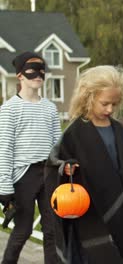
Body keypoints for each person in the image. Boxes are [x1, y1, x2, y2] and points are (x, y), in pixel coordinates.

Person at [45, 65, 123, 264]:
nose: (110, 109)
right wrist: (65, 168)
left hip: (121, 209)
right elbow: (54, 163)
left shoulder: (119, 130)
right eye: (105, 103)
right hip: (91, 213)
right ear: (88, 97)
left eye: (114, 104)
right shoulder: (75, 132)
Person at [0, 51, 60, 264]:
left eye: (42, 69)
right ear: (20, 75)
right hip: (23, 177)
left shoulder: (51, 109)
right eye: (32, 69)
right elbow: (4, 148)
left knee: (53, 229)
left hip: (49, 174)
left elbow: (57, 145)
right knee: (23, 230)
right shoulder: (9, 110)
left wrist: (62, 166)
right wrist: (4, 186)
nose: (38, 74)